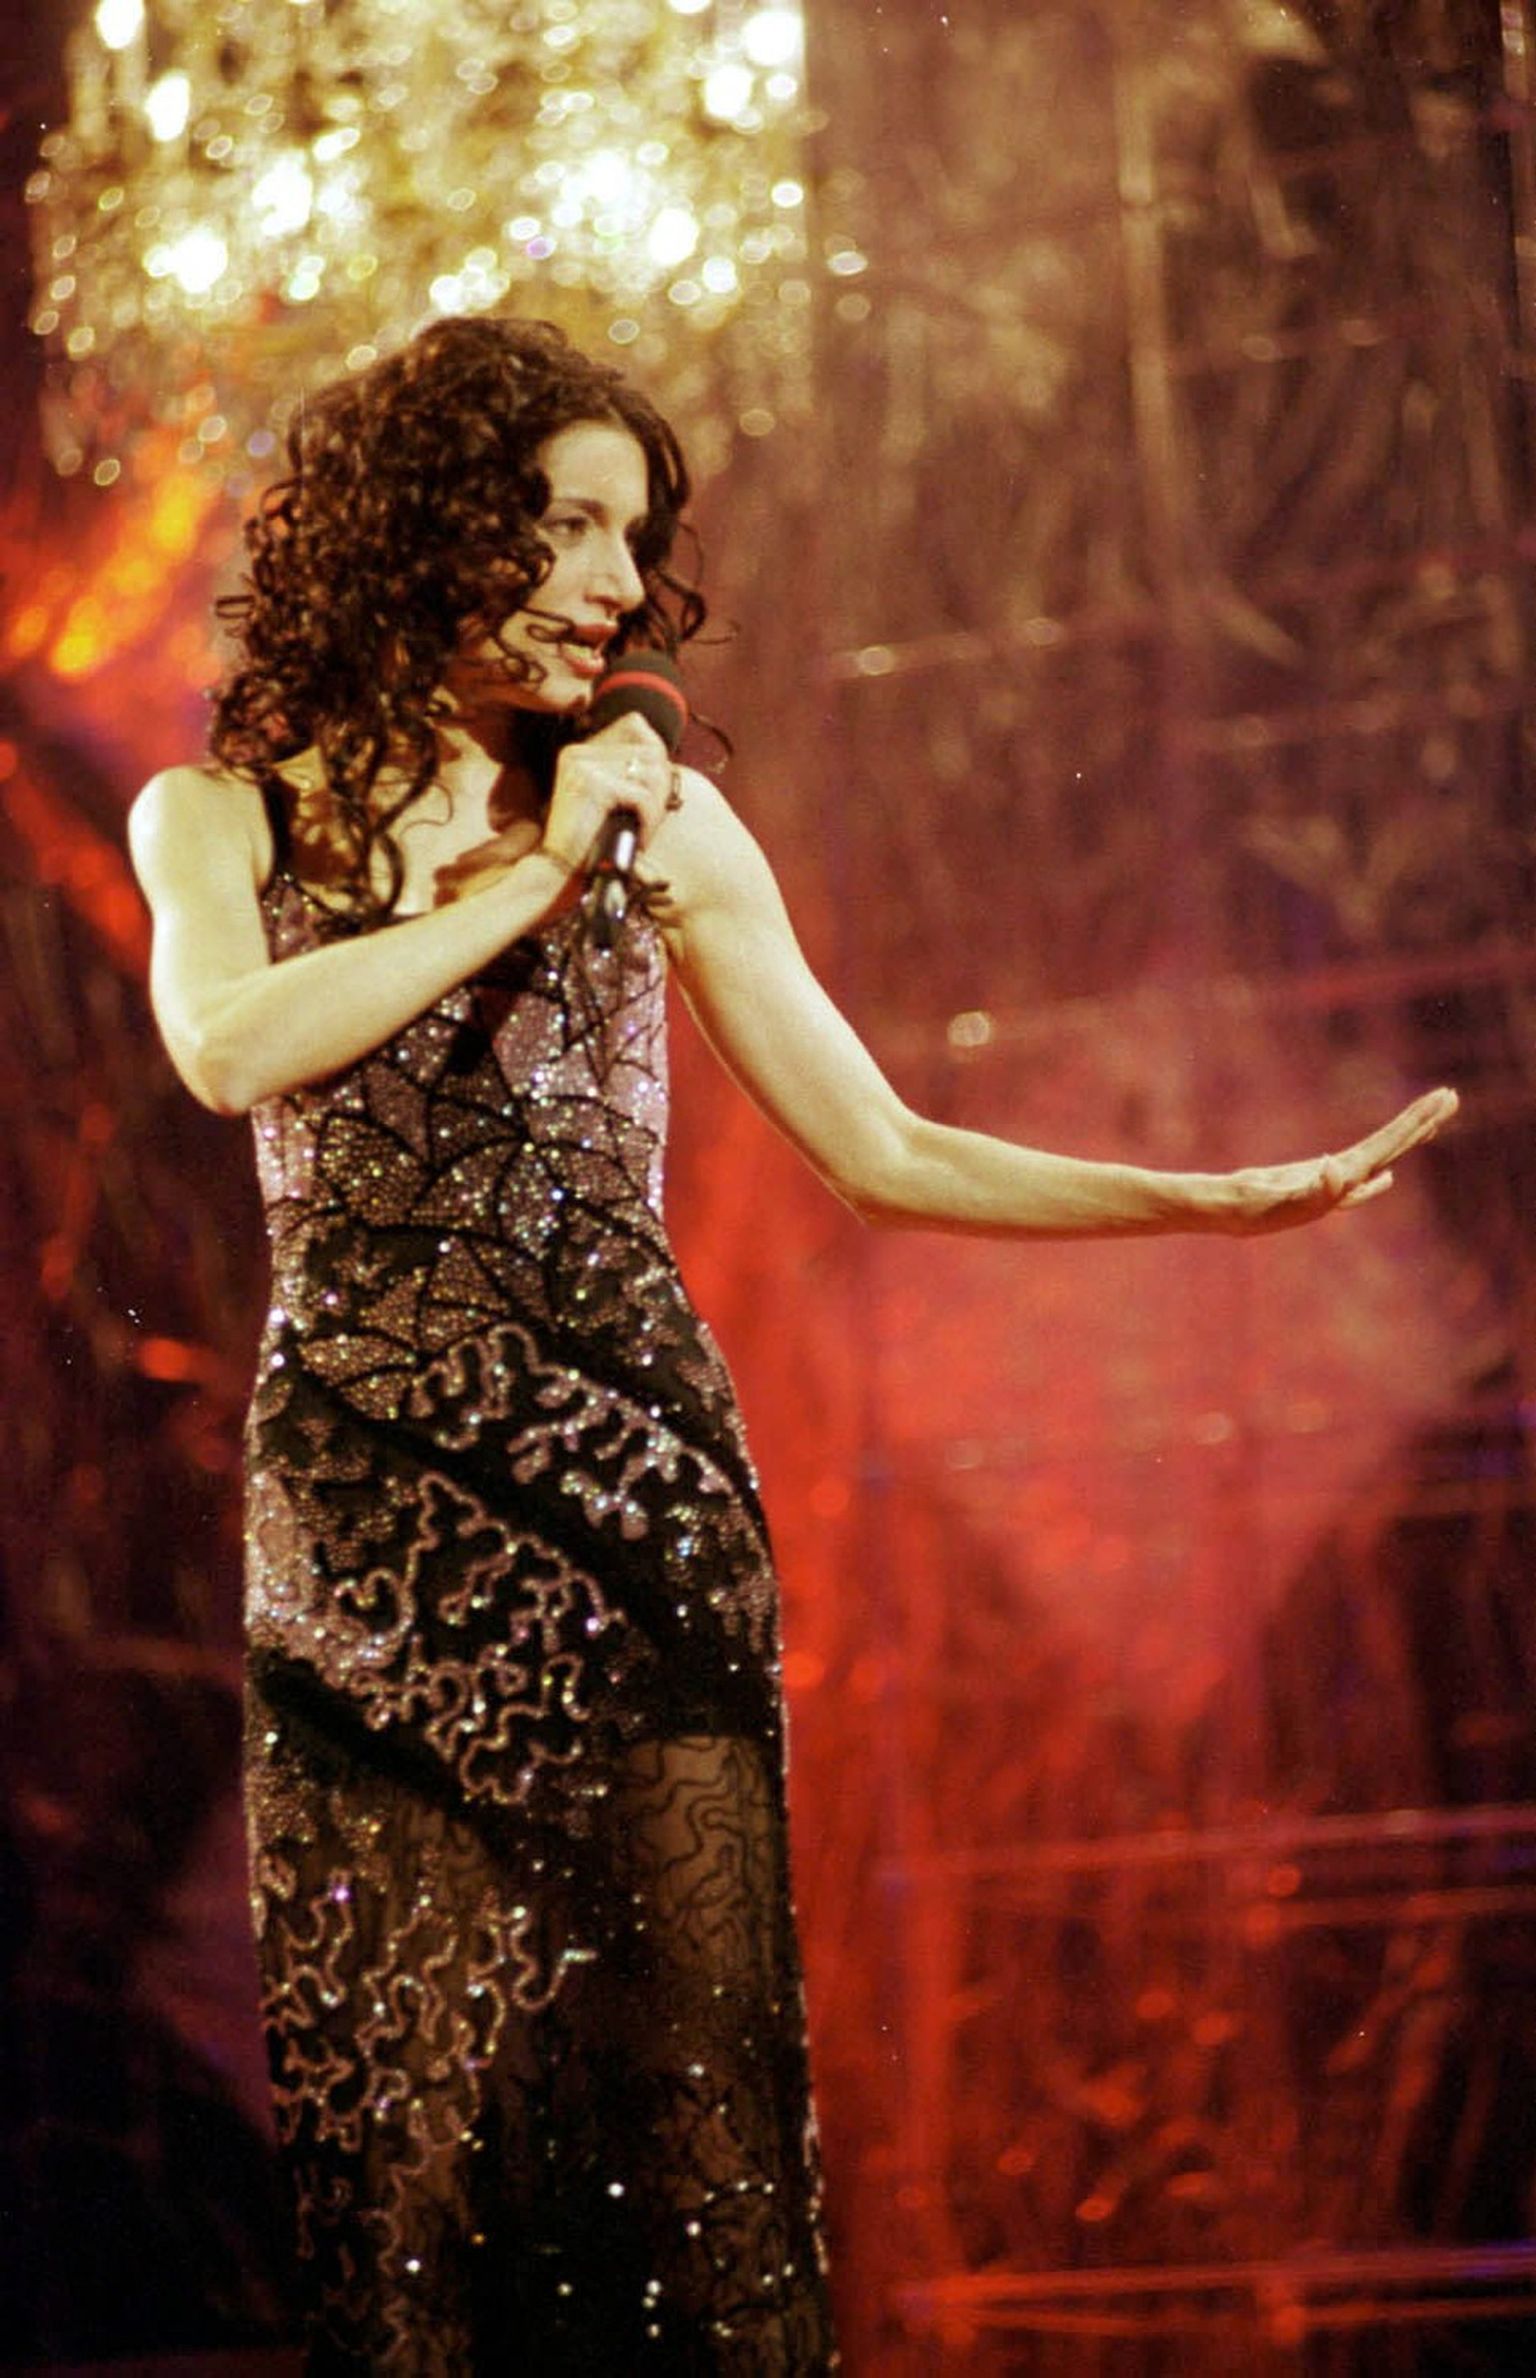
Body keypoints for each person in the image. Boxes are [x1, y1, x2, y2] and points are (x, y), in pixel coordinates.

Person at [128, 315, 1456, 2375]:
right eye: (570, 524)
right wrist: (536, 874)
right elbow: (231, 1048)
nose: (612, 583)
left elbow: (890, 1150)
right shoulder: (217, 818)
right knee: (410, 2161)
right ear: (426, 520)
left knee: (687, 2140)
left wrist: (1210, 1207)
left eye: (633, 540)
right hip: (360, 1536)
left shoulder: (669, 834)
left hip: (633, 1512)